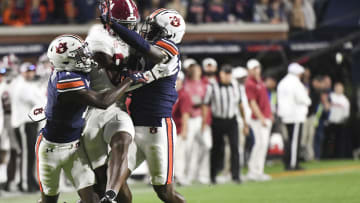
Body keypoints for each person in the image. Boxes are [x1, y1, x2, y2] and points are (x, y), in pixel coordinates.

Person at [83, 1, 180, 201]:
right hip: (135, 124)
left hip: (157, 128)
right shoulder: (139, 50)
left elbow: (143, 50)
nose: (146, 28)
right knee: (113, 180)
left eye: (153, 27)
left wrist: (114, 24)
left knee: (164, 191)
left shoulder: (168, 50)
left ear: (166, 33)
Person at [36, 34, 144, 203]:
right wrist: (129, 81)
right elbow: (103, 101)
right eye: (79, 55)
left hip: (74, 147)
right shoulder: (66, 79)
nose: (85, 57)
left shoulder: (75, 71)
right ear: (65, 61)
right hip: (52, 150)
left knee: (92, 199)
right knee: (49, 201)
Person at [202, 64, 247, 184]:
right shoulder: (212, 86)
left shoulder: (236, 86)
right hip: (218, 121)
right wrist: (204, 122)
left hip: (232, 120)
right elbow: (206, 104)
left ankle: (236, 176)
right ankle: (213, 176)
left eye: (229, 73)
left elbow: (240, 104)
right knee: (216, 149)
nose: (227, 76)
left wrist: (245, 122)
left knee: (235, 148)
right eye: (225, 73)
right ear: (220, 74)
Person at [11, 62, 44, 192]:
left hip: (30, 123)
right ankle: (25, 183)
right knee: (26, 154)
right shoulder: (21, 85)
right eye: (27, 71)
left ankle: (31, 181)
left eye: (32, 71)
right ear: (22, 72)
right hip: (23, 123)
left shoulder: (29, 85)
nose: (30, 73)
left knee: (31, 154)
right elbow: (38, 102)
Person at [277, 63, 311, 170]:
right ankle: (293, 163)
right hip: (295, 115)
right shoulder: (296, 83)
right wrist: (308, 100)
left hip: (285, 115)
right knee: (295, 140)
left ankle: (288, 161)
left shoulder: (282, 82)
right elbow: (302, 98)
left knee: (289, 139)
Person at [245, 59, 273, 181]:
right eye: (254, 68)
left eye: (258, 68)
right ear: (249, 70)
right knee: (260, 144)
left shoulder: (260, 81)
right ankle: (254, 171)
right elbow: (253, 103)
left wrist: (269, 114)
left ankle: (258, 170)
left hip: (265, 117)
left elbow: (265, 101)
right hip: (257, 119)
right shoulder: (250, 83)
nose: (256, 70)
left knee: (263, 144)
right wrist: (262, 117)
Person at [183, 63, 210, 184]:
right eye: (194, 69)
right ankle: (186, 175)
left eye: (198, 69)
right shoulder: (186, 84)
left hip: (200, 119)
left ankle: (202, 174)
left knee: (206, 146)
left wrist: (205, 121)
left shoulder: (204, 85)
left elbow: (206, 103)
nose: (196, 71)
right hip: (189, 118)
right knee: (188, 148)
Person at [172, 71, 192, 185]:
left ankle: (179, 176)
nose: (176, 81)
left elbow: (185, 114)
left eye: (178, 79)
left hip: (178, 129)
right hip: (167, 129)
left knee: (179, 154)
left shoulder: (183, 94)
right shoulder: (168, 92)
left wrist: (184, 130)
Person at [324, 82, 350, 158]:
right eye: (337, 88)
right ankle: (326, 156)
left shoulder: (345, 99)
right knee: (328, 141)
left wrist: (343, 120)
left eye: (340, 88)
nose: (338, 89)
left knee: (339, 141)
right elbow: (326, 107)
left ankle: (339, 156)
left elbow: (346, 113)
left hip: (340, 123)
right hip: (330, 122)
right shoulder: (330, 96)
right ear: (334, 88)